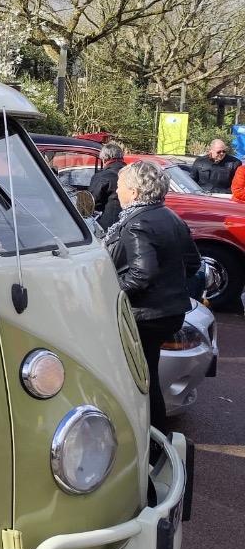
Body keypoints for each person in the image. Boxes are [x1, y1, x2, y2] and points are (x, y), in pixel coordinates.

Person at [105, 162, 200, 433]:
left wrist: (109, 293)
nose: (116, 191)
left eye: (120, 186)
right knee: (146, 376)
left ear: (134, 192)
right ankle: (152, 436)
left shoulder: (137, 223)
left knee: (140, 380)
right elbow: (192, 263)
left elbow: (141, 274)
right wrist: (168, 284)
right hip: (168, 312)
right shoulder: (170, 216)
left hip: (145, 315)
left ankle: (151, 439)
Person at [88, 141, 126, 230]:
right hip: (130, 222)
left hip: (109, 227)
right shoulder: (132, 173)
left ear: (104, 159)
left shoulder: (103, 176)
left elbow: (91, 203)